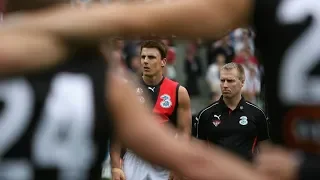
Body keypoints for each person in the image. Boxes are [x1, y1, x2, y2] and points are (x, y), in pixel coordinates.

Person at [0, 1, 272, 180]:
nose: (145, 61)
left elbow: (185, 138)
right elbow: (195, 162)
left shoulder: (161, 90)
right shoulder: (109, 86)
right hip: (141, 155)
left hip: (155, 162)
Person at [110, 40, 192, 180]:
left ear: (163, 62)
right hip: (135, 156)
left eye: (151, 57)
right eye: (143, 57)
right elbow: (117, 132)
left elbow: (184, 132)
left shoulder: (179, 91)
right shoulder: (127, 89)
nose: (145, 61)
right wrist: (116, 166)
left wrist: (178, 165)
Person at [197, 62, 270, 161]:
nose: (225, 85)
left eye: (230, 81)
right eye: (222, 80)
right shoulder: (205, 115)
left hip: (246, 174)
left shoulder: (257, 114)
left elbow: (265, 151)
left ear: (242, 82)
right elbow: (199, 151)